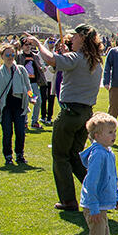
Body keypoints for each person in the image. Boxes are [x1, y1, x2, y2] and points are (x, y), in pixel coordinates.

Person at [30, 24, 104, 211]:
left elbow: (49, 59)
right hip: (86, 114)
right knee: (75, 157)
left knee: (60, 156)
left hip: (70, 113)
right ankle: (98, 194)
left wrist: (38, 44)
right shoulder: (95, 62)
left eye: (75, 37)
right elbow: (61, 64)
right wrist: (64, 56)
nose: (72, 39)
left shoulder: (76, 58)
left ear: (83, 38)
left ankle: (68, 200)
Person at [66, 112, 118, 235]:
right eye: (109, 132)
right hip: (94, 205)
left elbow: (112, 178)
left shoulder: (108, 152)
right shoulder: (98, 154)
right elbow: (91, 183)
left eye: (114, 131)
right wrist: (94, 208)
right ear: (97, 136)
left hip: (102, 204)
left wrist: (116, 198)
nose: (113, 135)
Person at [0, 44, 32, 165]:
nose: (10, 57)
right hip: (5, 106)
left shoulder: (21, 70)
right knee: (7, 132)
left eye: (13, 54)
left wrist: (32, 97)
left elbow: (28, 87)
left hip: (19, 105)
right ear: (2, 56)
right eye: (7, 55)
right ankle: (8, 156)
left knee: (20, 132)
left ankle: (20, 155)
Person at [17, 38, 49, 130]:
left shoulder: (35, 56)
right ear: (22, 46)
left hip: (34, 83)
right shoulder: (19, 56)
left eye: (29, 44)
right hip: (24, 84)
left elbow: (39, 67)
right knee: (25, 102)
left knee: (37, 101)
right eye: (26, 45)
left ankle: (34, 121)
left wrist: (42, 69)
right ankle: (24, 122)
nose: (28, 46)